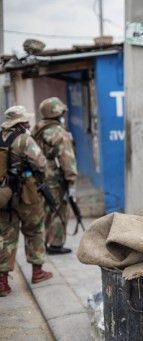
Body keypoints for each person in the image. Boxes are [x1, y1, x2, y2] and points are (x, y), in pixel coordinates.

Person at [0, 106, 53, 296]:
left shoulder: (0, 137)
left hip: (3, 195)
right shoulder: (24, 139)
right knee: (34, 229)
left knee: (5, 236)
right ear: (21, 122)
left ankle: (2, 282)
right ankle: (38, 272)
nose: (29, 123)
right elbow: (40, 163)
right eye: (26, 120)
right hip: (26, 193)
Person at [32, 97, 78, 255]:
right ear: (56, 113)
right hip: (55, 179)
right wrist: (71, 180)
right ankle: (56, 244)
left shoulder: (37, 129)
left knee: (45, 210)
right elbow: (67, 158)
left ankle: (43, 242)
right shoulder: (58, 132)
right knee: (59, 209)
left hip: (39, 177)